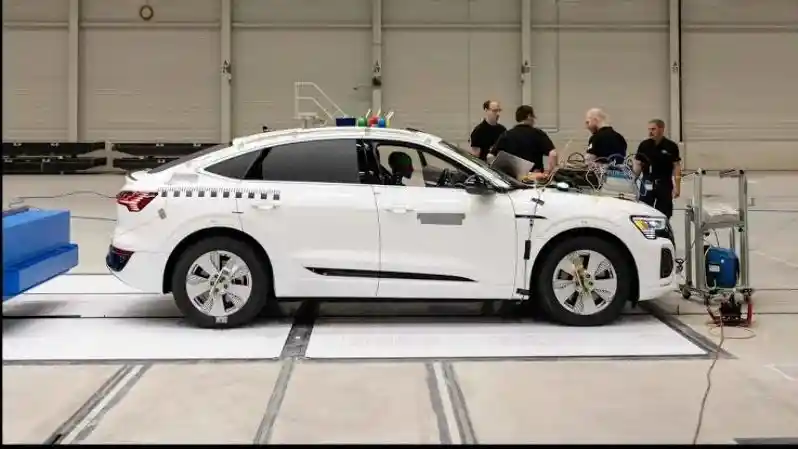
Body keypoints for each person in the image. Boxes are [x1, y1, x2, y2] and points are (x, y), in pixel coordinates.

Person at [491, 105, 558, 178]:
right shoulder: (538, 134)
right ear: (529, 116)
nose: (534, 121)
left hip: (512, 179)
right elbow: (553, 154)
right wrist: (549, 174)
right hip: (534, 178)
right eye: (533, 117)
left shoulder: (506, 135)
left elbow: (490, 156)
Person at [634, 119, 682, 218]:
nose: (650, 132)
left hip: (664, 182)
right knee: (644, 211)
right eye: (649, 129)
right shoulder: (644, 145)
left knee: (664, 213)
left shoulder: (671, 146)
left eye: (653, 129)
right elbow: (638, 164)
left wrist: (677, 187)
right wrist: (632, 181)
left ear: (661, 129)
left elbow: (676, 166)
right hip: (647, 181)